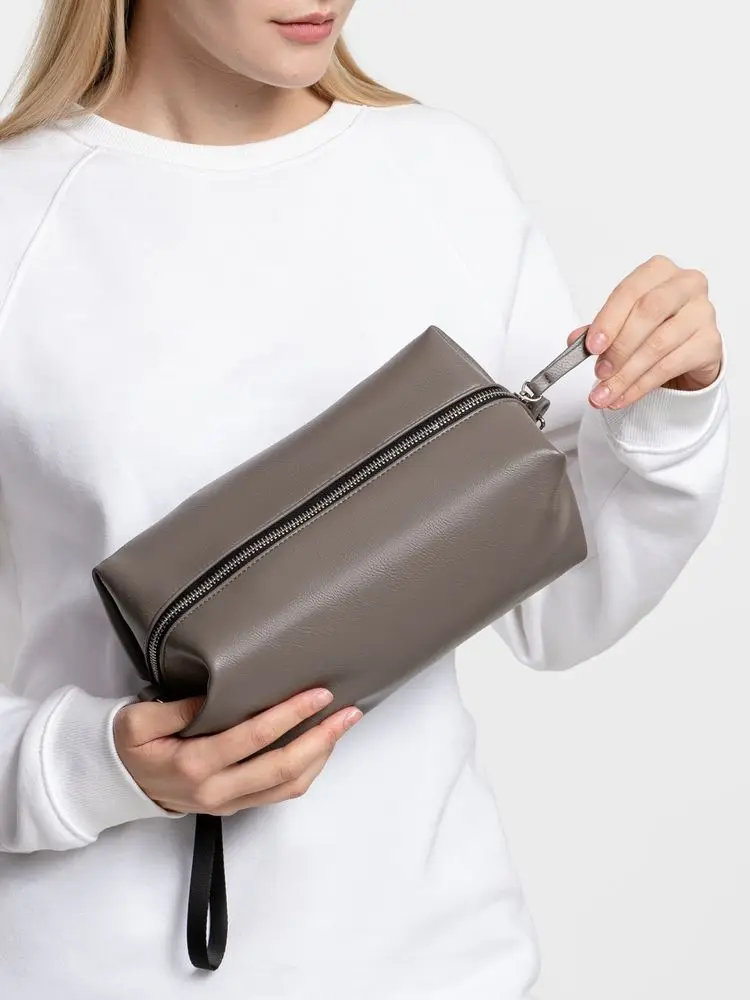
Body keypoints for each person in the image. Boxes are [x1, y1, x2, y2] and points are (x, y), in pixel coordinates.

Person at [0, 2, 729, 998]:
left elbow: (560, 611)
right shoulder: (20, 218)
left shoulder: (441, 175)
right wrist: (90, 768)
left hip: (435, 961)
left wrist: (669, 413)